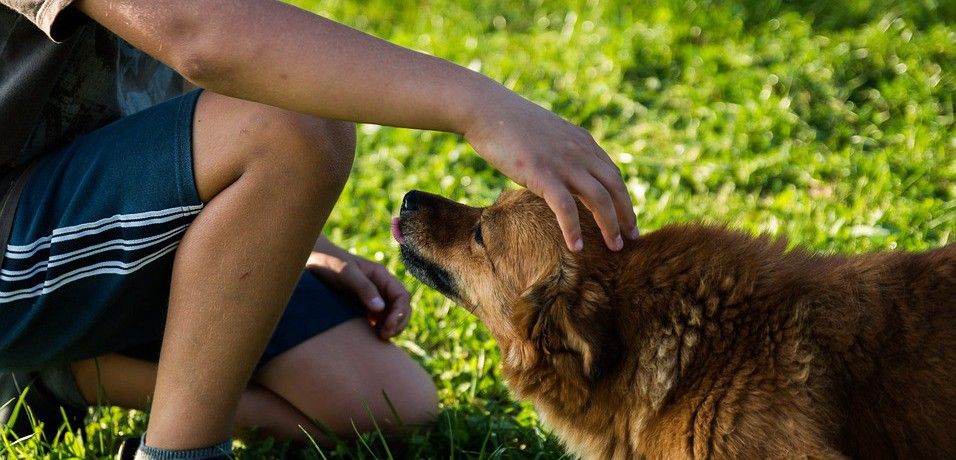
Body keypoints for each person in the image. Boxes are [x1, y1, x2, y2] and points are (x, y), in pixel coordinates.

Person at [0, 0, 639, 458]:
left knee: (384, 403)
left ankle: (64, 372)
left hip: (92, 210)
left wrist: (287, 239)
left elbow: (177, 78)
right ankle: (181, 454)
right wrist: (482, 106)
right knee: (297, 127)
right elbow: (201, 35)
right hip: (13, 227)